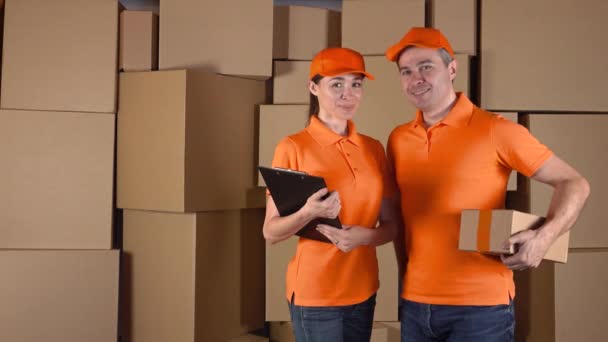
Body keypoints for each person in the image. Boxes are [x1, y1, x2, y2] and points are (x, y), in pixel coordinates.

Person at [384, 27, 590, 341]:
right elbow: (400, 217)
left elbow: (574, 182)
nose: (416, 79)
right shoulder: (398, 139)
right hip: (416, 303)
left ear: (452, 68)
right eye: (406, 71)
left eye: (426, 67)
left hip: (480, 308)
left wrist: (544, 236)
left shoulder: (494, 130)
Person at [262, 47, 399, 342]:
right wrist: (308, 212)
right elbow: (270, 232)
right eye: (336, 84)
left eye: (356, 84)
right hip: (316, 294)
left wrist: (363, 237)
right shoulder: (293, 147)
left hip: (364, 289)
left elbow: (392, 225)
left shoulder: (373, 149)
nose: (348, 94)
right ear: (313, 87)